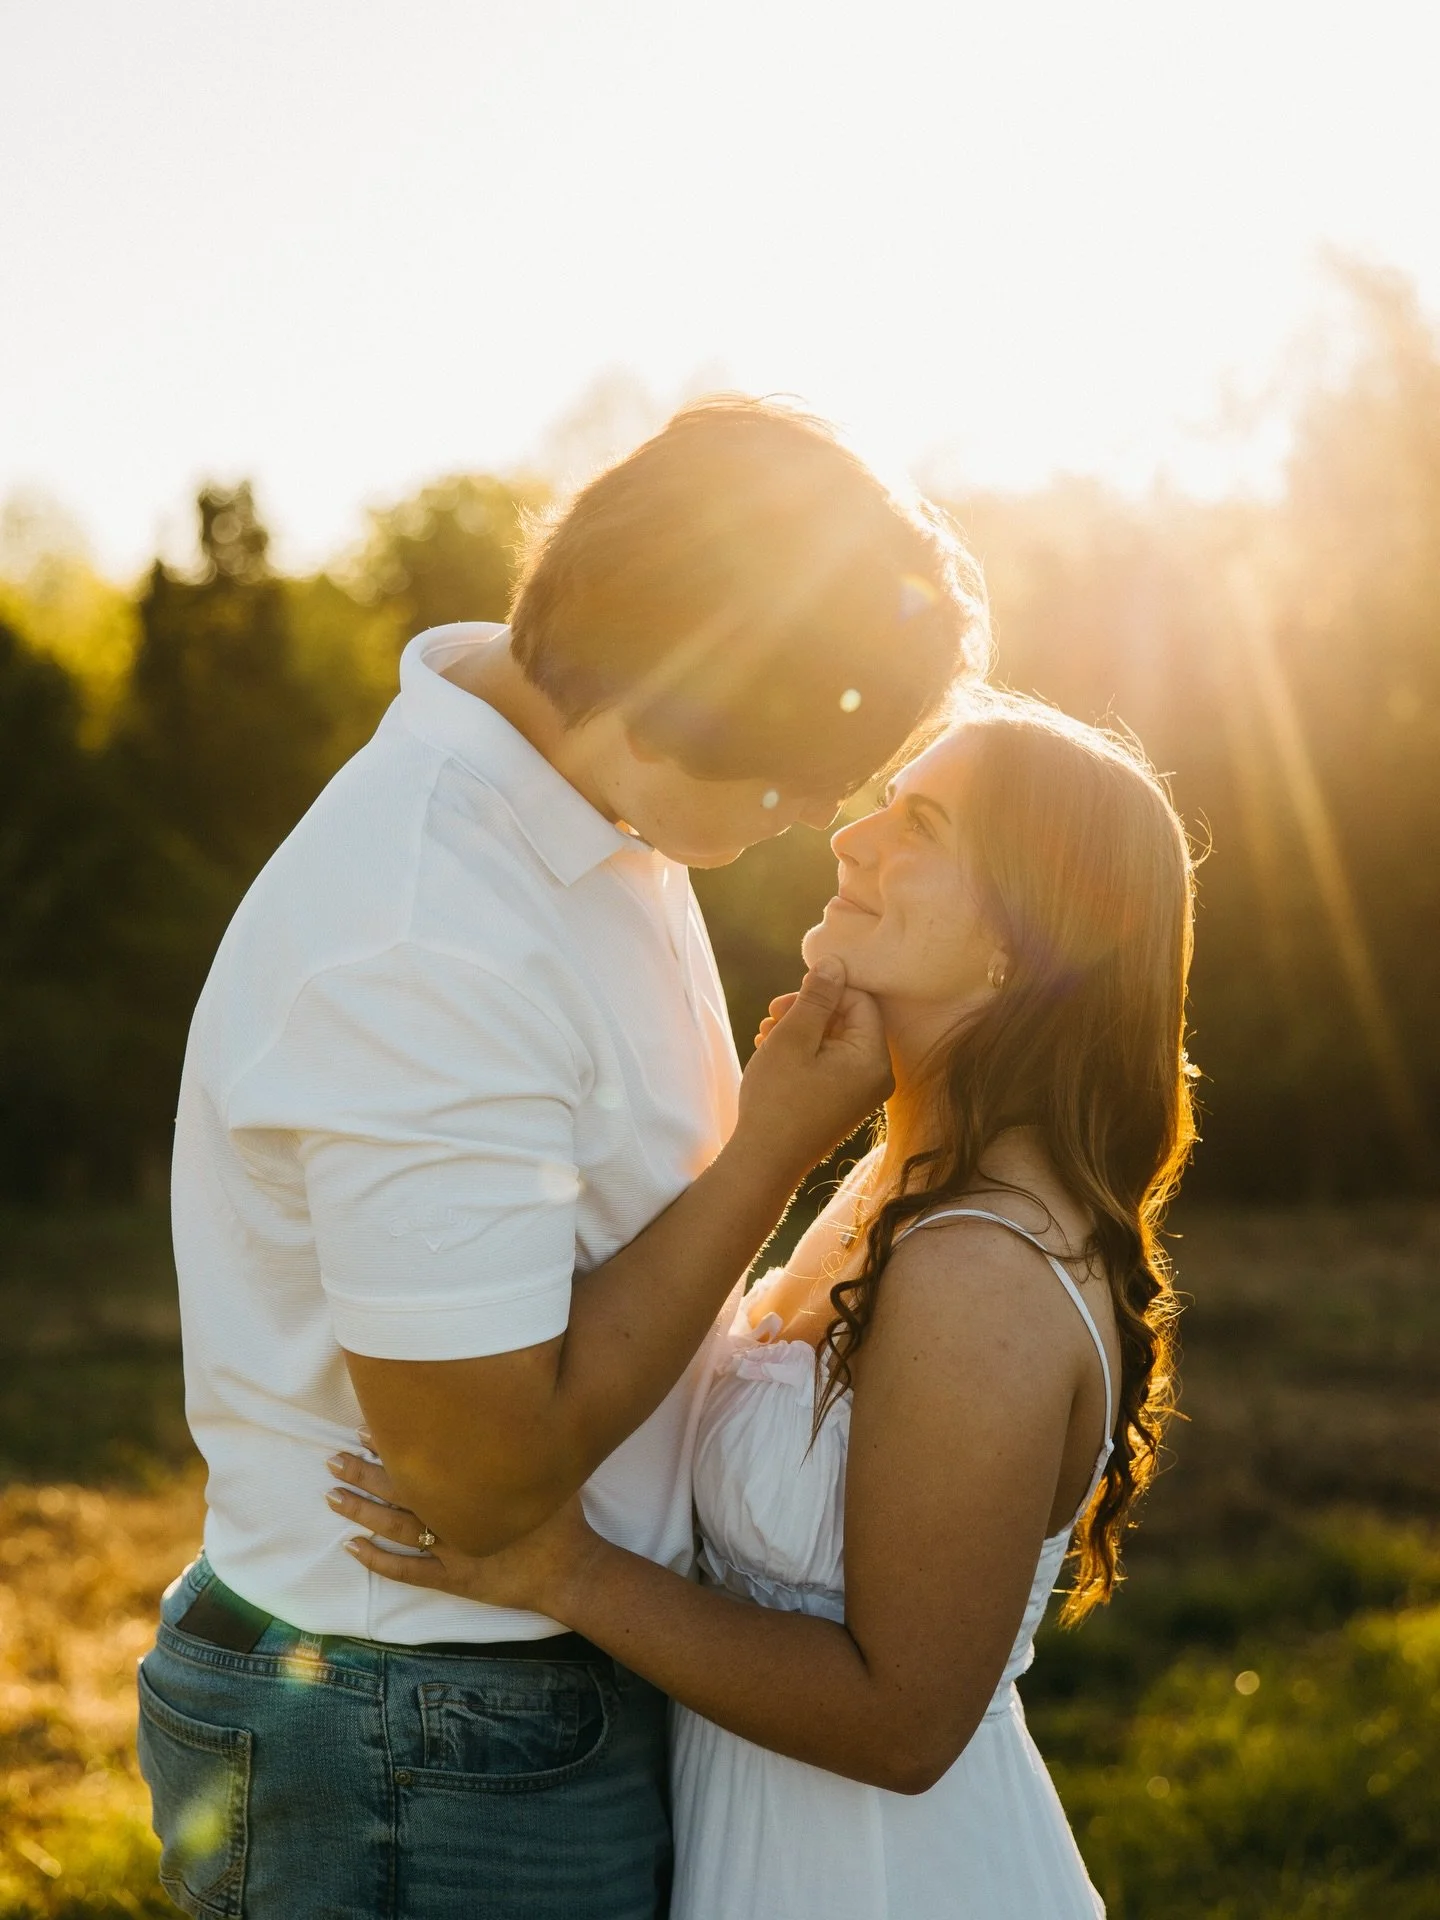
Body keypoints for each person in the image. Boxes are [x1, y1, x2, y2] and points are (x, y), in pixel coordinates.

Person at [136, 396, 986, 1920]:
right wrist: (774, 1147)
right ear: (673, 690)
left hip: (493, 1709)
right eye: (791, 770)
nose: (808, 813)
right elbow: (475, 1482)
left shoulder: (596, 801)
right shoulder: (433, 932)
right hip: (417, 1742)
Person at [326, 692, 1198, 1919]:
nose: (852, 836)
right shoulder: (896, 1183)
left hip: (885, 1881)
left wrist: (558, 1568)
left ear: (1024, 939)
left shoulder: (980, 1269)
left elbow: (904, 1724)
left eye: (922, 824)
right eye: (884, 802)